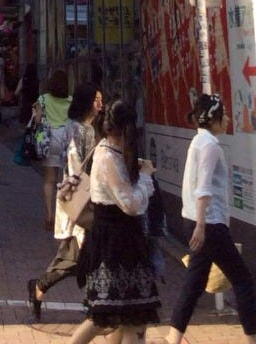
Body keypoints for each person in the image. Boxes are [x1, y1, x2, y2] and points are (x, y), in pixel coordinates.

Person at [164, 93, 256, 344]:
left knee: (194, 283)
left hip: (197, 221)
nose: (227, 119)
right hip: (210, 224)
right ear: (214, 119)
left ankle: (173, 338)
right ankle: (254, 340)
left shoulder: (198, 141)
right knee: (242, 280)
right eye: (224, 115)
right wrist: (201, 225)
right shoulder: (210, 146)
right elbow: (203, 187)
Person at [67, 98, 161, 344]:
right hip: (115, 244)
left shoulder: (111, 152)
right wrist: (145, 178)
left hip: (118, 241)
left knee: (118, 315)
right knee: (117, 316)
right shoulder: (107, 156)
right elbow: (130, 204)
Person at [27, 82, 103, 320]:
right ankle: (39, 287)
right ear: (86, 102)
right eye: (96, 100)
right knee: (74, 256)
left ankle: (93, 302)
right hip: (80, 201)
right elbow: (74, 165)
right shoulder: (76, 129)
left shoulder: (90, 128)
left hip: (88, 199)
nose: (100, 105)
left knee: (87, 254)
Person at [35, 68, 72, 229]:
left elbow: (37, 120)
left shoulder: (43, 99)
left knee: (49, 180)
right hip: (66, 140)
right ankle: (62, 216)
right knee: (65, 180)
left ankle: (49, 215)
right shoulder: (70, 100)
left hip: (48, 139)